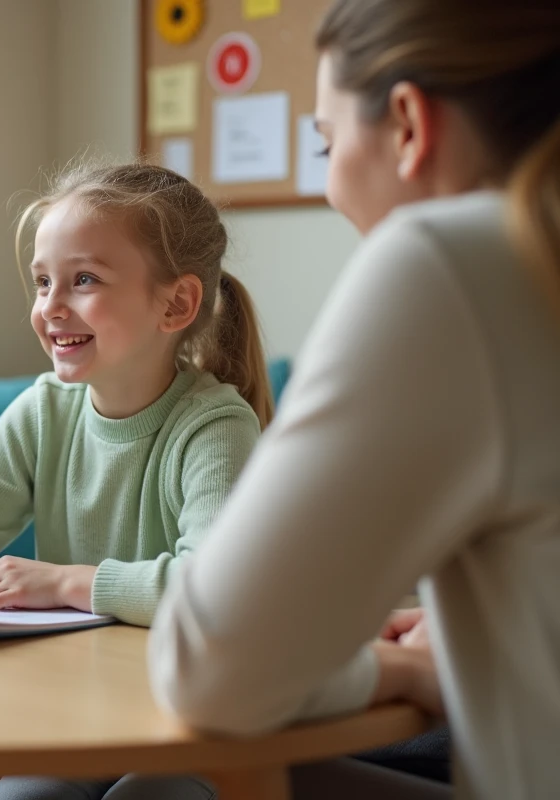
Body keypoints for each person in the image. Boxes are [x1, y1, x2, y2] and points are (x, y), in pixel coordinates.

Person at [148, 1, 560, 798]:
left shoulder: (458, 261)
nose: (333, 185)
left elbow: (209, 671)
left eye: (328, 144)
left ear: (408, 124)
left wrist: (402, 670)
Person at [0, 161, 273, 800]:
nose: (50, 308)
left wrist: (62, 583)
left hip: (201, 723)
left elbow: (216, 595)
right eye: (43, 282)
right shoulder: (44, 411)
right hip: (81, 711)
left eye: (85, 280)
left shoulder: (215, 425)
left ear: (176, 303)